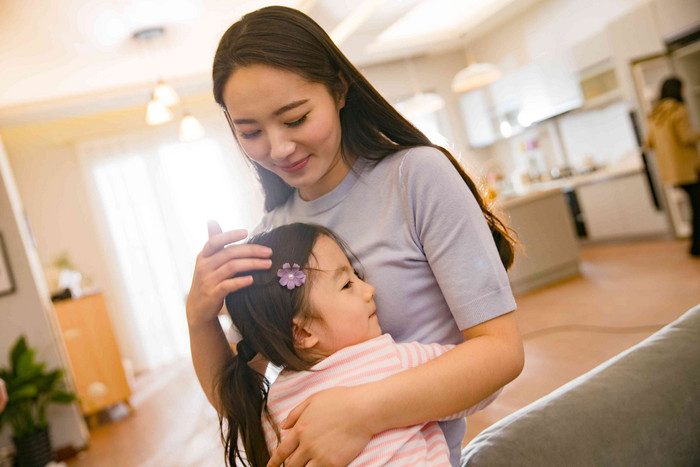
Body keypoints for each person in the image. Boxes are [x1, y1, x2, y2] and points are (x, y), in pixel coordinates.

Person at [187, 6, 524, 466]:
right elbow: (239, 403)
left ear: (339, 90)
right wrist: (199, 318)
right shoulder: (272, 240)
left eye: (295, 118)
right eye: (250, 131)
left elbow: (502, 353)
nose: (279, 148)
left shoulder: (416, 177)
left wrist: (362, 412)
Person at [218, 223, 500, 467]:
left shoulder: (271, 409)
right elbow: (483, 385)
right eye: (347, 285)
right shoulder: (386, 359)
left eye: (357, 277)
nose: (369, 289)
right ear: (303, 331)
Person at [646, 77, 700, 257]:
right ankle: (696, 247)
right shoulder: (678, 110)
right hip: (689, 169)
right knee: (698, 206)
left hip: (672, 172)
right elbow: (685, 137)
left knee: (695, 205)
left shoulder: (655, 114)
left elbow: (648, 142)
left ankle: (696, 246)